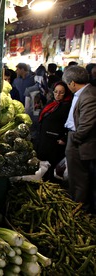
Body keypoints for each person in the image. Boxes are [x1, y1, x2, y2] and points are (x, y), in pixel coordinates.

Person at [63, 65, 96, 213]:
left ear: (72, 83)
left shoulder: (88, 96)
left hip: (80, 143)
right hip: (74, 139)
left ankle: (80, 210)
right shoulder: (83, 93)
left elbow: (86, 126)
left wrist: (74, 138)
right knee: (75, 178)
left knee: (79, 180)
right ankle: (76, 205)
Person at [36, 81, 72, 183]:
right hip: (44, 140)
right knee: (43, 167)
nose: (58, 94)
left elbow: (71, 125)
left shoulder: (67, 106)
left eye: (61, 92)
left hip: (55, 143)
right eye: (56, 91)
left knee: (52, 169)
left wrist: (64, 138)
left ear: (66, 93)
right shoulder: (51, 103)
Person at [24, 65, 49, 148]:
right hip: (45, 119)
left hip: (32, 118)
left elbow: (27, 108)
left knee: (32, 138)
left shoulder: (29, 90)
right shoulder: (49, 91)